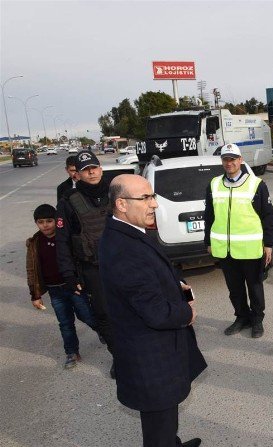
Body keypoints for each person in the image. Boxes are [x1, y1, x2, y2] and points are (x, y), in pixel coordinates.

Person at [99, 174, 206, 447]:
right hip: (149, 356)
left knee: (166, 416)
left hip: (156, 351)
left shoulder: (130, 232)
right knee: (158, 424)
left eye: (152, 196)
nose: (154, 204)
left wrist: (178, 282)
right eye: (145, 197)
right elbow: (155, 312)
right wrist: (188, 314)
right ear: (121, 204)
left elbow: (158, 270)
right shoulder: (123, 249)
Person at [204, 143, 273, 338]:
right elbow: (209, 216)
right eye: (225, 159)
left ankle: (257, 320)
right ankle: (241, 317)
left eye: (232, 159)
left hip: (250, 249)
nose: (229, 163)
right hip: (225, 250)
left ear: (240, 160)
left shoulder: (256, 185)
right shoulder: (214, 184)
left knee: (254, 288)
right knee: (234, 289)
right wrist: (208, 242)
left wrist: (269, 244)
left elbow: (268, 216)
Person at [56, 150, 115, 376]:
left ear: (100, 168)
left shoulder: (116, 192)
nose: (91, 172)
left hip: (122, 264)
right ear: (77, 175)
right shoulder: (68, 202)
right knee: (104, 315)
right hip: (93, 268)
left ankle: (135, 351)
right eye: (85, 170)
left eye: (94, 167)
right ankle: (118, 356)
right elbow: (62, 243)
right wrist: (69, 275)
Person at [26, 204, 97, 369]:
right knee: (65, 323)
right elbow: (32, 270)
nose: (45, 225)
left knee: (87, 315)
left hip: (72, 286)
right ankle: (71, 352)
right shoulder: (34, 243)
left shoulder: (65, 238)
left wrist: (81, 280)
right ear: (36, 223)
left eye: (49, 221)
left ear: (56, 221)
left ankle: (105, 333)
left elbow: (78, 260)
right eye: (41, 222)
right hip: (54, 290)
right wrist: (35, 295)